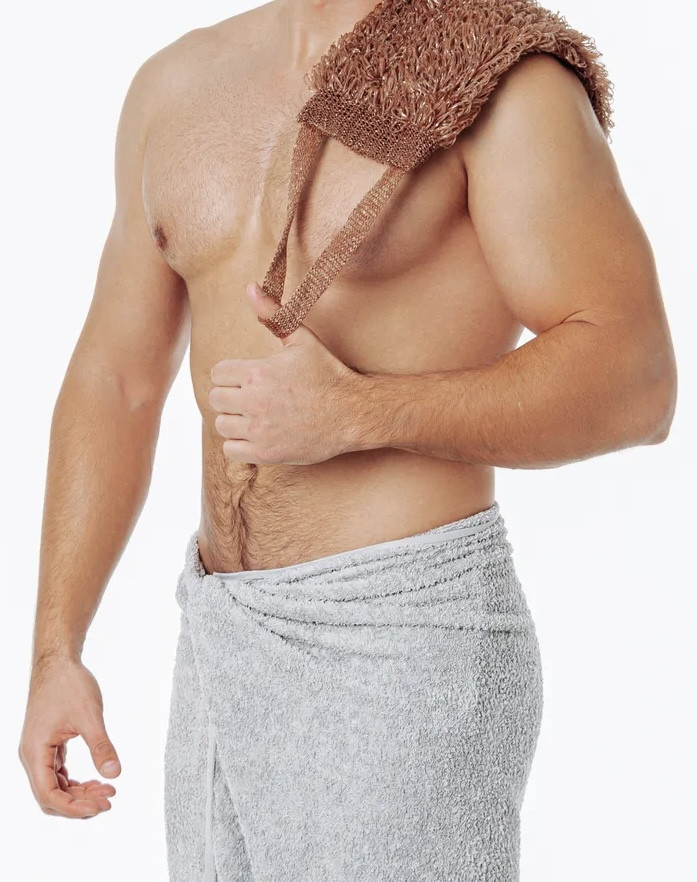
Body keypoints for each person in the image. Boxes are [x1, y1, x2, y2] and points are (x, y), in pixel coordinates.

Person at [18, 0, 677, 879]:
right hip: (220, 632)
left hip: (401, 640)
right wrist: (57, 649)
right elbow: (117, 379)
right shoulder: (175, 83)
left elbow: (636, 380)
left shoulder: (500, 78)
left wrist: (362, 412)